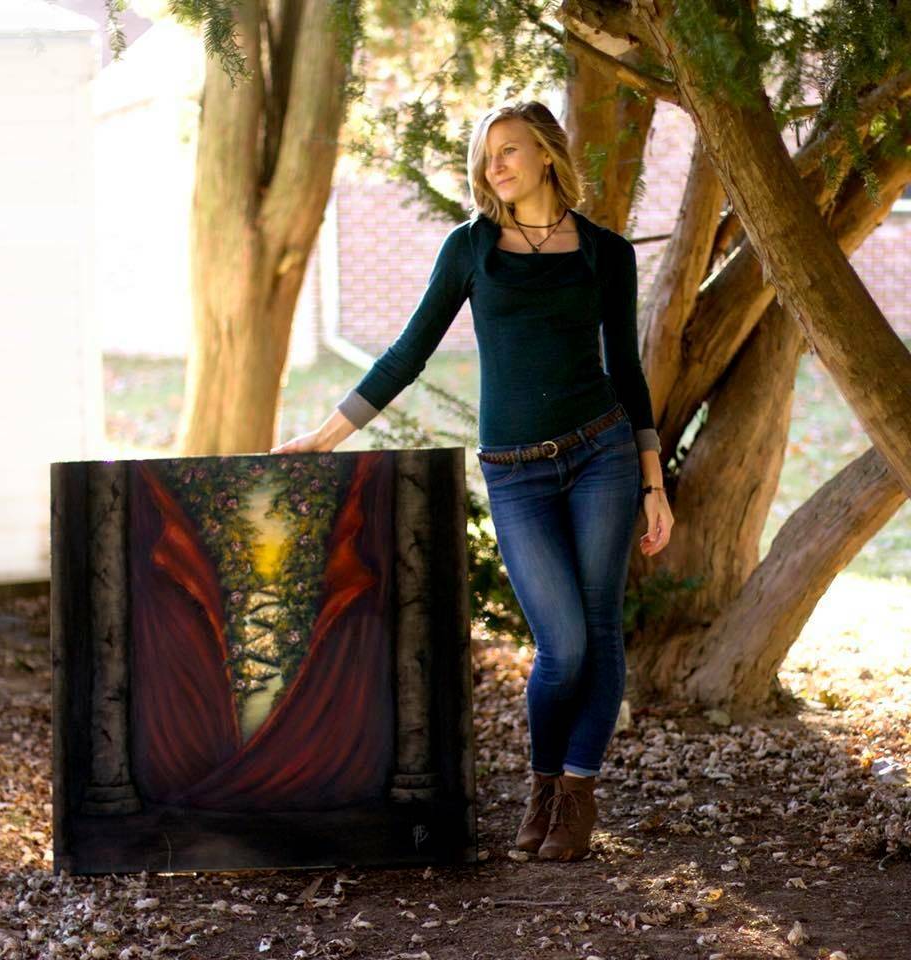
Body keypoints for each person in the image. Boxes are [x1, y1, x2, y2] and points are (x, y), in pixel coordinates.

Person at [270, 100, 674, 861]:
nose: (495, 165)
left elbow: (627, 370)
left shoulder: (605, 253)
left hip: (602, 455)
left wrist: (654, 484)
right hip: (516, 475)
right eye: (487, 154)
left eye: (510, 149)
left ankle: (577, 795)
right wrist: (324, 437)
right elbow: (407, 353)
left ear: (547, 154)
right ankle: (542, 784)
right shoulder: (471, 249)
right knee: (562, 644)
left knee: (599, 631)